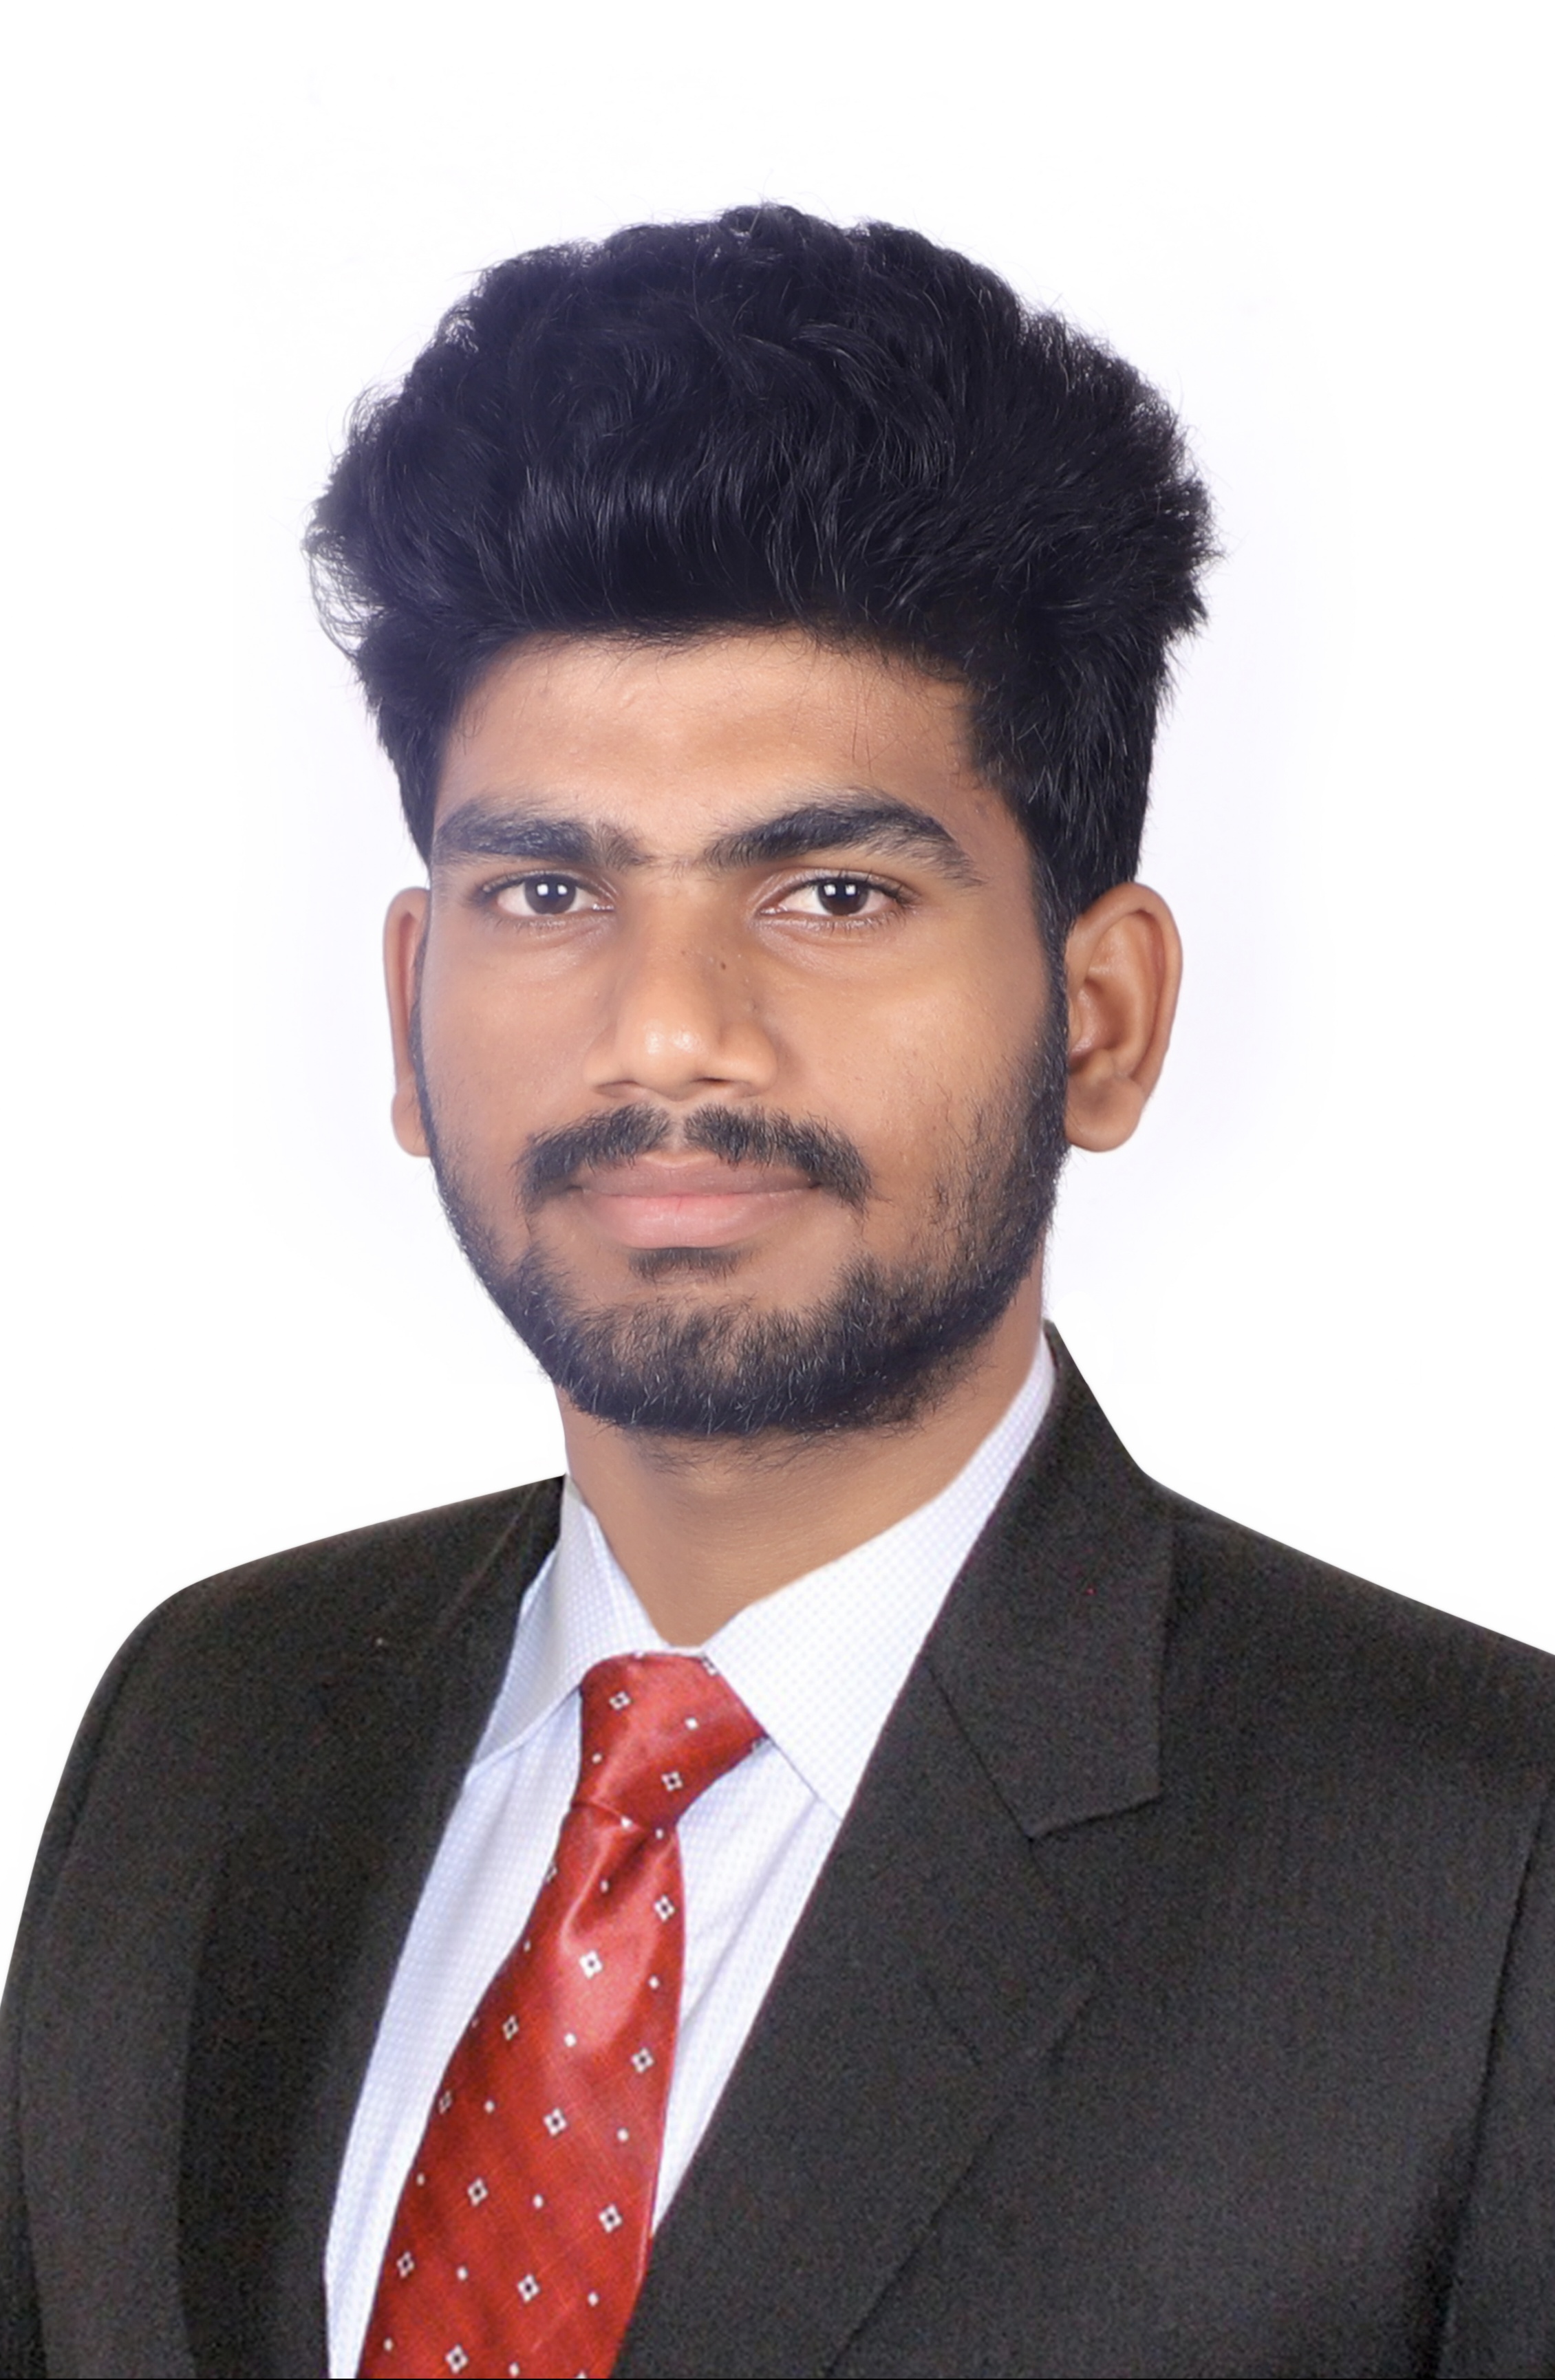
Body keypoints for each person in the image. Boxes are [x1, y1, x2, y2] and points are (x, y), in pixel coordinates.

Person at [2, 205, 1551, 2380]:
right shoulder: (204, 1722)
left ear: (1100, 1016)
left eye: (828, 890)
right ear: (409, 1001)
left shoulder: (1481, 1873)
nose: (667, 1030)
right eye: (544, 888)